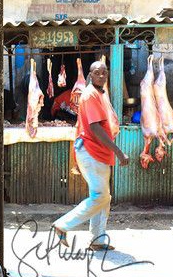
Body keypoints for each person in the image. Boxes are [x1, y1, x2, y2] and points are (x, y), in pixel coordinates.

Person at [52, 61, 129, 251]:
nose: (102, 76)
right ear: (90, 75)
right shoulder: (91, 94)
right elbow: (95, 128)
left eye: (105, 73)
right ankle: (62, 225)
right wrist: (118, 152)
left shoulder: (100, 94)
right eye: (97, 73)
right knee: (101, 196)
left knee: (103, 196)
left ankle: (97, 239)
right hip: (92, 149)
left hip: (98, 152)